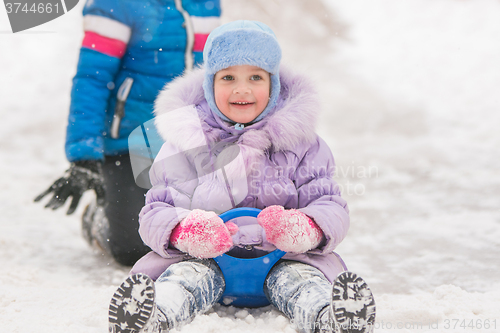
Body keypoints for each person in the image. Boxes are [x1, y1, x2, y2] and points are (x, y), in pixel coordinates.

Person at [107, 21, 376, 333]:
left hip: (284, 258)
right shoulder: (185, 144)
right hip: (207, 259)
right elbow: (155, 212)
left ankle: (330, 318)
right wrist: (186, 231)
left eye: (256, 77)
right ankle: (153, 316)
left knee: (303, 283)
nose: (242, 89)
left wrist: (305, 227)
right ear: (210, 84)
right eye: (229, 77)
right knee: (184, 281)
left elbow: (330, 204)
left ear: (274, 84)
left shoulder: (303, 144)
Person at [34, 0, 222, 266]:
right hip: (130, 143)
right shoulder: (117, 4)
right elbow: (92, 78)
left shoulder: (205, 4)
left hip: (187, 142)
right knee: (134, 247)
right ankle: (99, 217)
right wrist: (84, 155)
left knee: (216, 229)